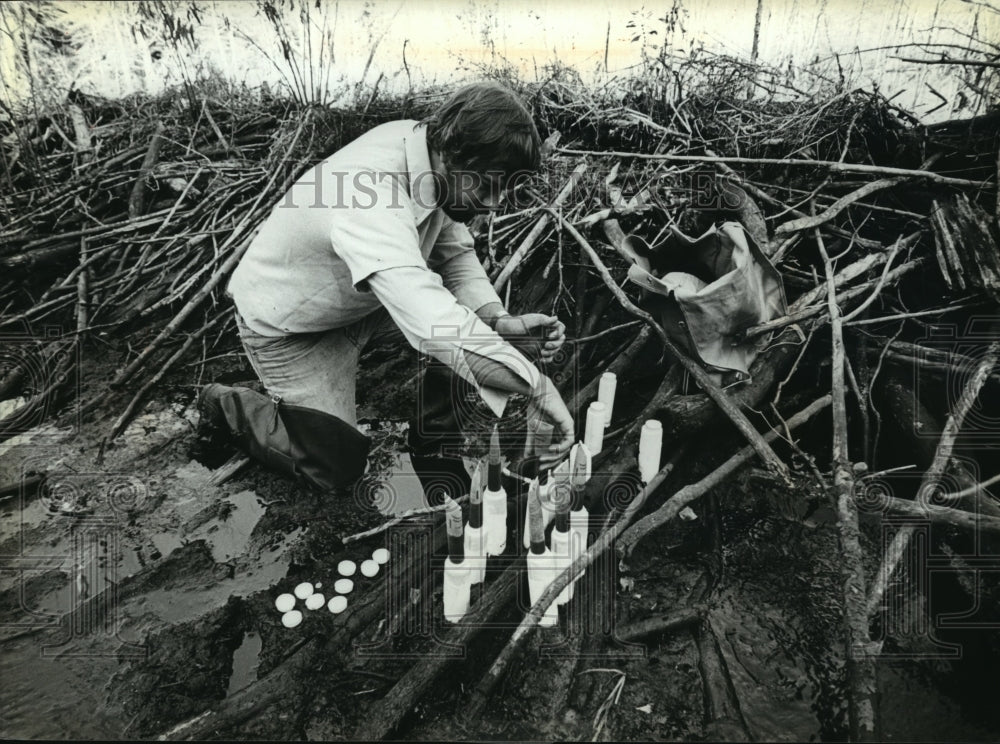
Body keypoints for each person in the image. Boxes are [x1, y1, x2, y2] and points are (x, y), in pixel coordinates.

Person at [196, 81, 574, 499]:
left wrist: (498, 321)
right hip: (292, 328)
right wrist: (536, 386)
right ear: (452, 155)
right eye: (487, 185)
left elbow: (453, 257)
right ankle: (227, 405)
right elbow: (435, 324)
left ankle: (432, 439)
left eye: (504, 187)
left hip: (364, 300)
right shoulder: (368, 191)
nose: (495, 203)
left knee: (472, 329)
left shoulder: (428, 150)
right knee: (335, 468)